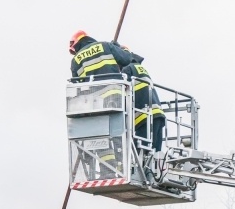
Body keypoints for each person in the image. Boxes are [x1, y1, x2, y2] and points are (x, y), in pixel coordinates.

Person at [68, 30, 132, 179]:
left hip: (94, 103)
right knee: (118, 135)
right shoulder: (105, 46)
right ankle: (123, 168)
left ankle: (107, 172)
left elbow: (78, 84)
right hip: (114, 97)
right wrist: (120, 48)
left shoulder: (75, 60)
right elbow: (126, 60)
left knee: (101, 137)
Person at [120, 48, 166, 153]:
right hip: (157, 115)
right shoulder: (139, 68)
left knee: (141, 157)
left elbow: (121, 92)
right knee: (155, 157)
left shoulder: (127, 69)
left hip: (144, 118)